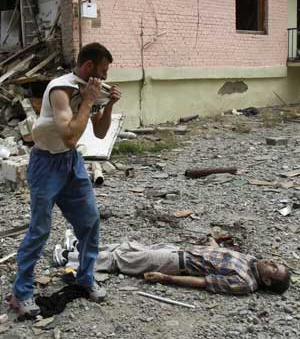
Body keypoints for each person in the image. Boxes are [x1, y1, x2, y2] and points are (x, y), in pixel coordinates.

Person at [10, 43, 121, 317]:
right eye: (103, 71)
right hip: (46, 164)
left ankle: (84, 278)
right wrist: (87, 101)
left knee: (89, 221)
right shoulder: (61, 89)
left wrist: (108, 106)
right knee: (40, 230)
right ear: (88, 67)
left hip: (71, 163)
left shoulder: (92, 90)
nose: (105, 78)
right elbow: (70, 135)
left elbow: (99, 131)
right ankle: (20, 293)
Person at [54, 232, 291, 296]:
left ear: (268, 280)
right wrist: (213, 243)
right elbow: (220, 257)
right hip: (178, 249)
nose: (271, 261)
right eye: (276, 261)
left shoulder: (245, 282)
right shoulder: (251, 262)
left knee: (121, 260)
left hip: (175, 263)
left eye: (274, 267)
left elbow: (204, 282)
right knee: (128, 247)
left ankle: (69, 260)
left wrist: (166, 279)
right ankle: (77, 249)